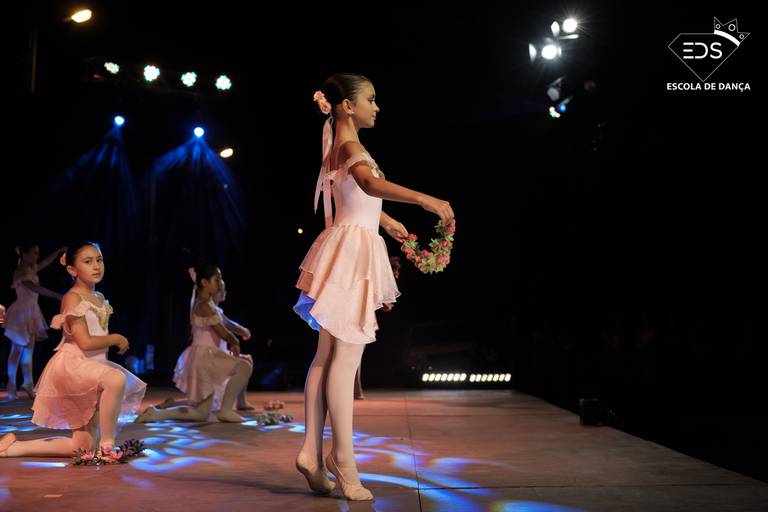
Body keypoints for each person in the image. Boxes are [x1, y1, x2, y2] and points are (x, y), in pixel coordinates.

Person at [293, 73, 454, 500]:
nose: (377, 107)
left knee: (326, 356)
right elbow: (366, 182)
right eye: (371, 99)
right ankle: (343, 460)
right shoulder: (350, 146)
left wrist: (385, 219)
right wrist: (424, 199)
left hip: (344, 244)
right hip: (351, 252)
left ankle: (311, 451)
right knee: (344, 359)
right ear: (348, 105)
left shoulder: (338, 145)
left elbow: (354, 192)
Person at [0, 241, 146, 458]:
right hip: (74, 367)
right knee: (116, 379)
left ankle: (11, 448)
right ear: (72, 269)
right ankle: (107, 446)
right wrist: (115, 338)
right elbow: (84, 342)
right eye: (88, 261)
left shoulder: (98, 297)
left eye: (99, 260)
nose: (96, 266)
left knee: (82, 446)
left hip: (93, 368)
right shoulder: (72, 298)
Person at [136, 265, 254, 422]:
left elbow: (226, 322)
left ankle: (157, 414)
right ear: (205, 282)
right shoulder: (203, 305)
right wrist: (234, 341)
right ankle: (225, 410)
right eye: (216, 280)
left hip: (209, 356)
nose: (220, 284)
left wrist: (242, 331)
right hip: (206, 357)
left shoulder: (209, 305)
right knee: (243, 367)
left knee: (201, 413)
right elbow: (222, 331)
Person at [3, 243, 66, 400]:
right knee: (16, 351)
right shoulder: (20, 272)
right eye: (34, 253)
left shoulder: (32, 269)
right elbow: (35, 288)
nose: (37, 256)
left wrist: (58, 251)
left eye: (38, 253)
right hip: (20, 314)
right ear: (24, 254)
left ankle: (28, 384)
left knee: (28, 352)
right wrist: (56, 295)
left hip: (32, 313)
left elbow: (46, 262)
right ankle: (11, 385)